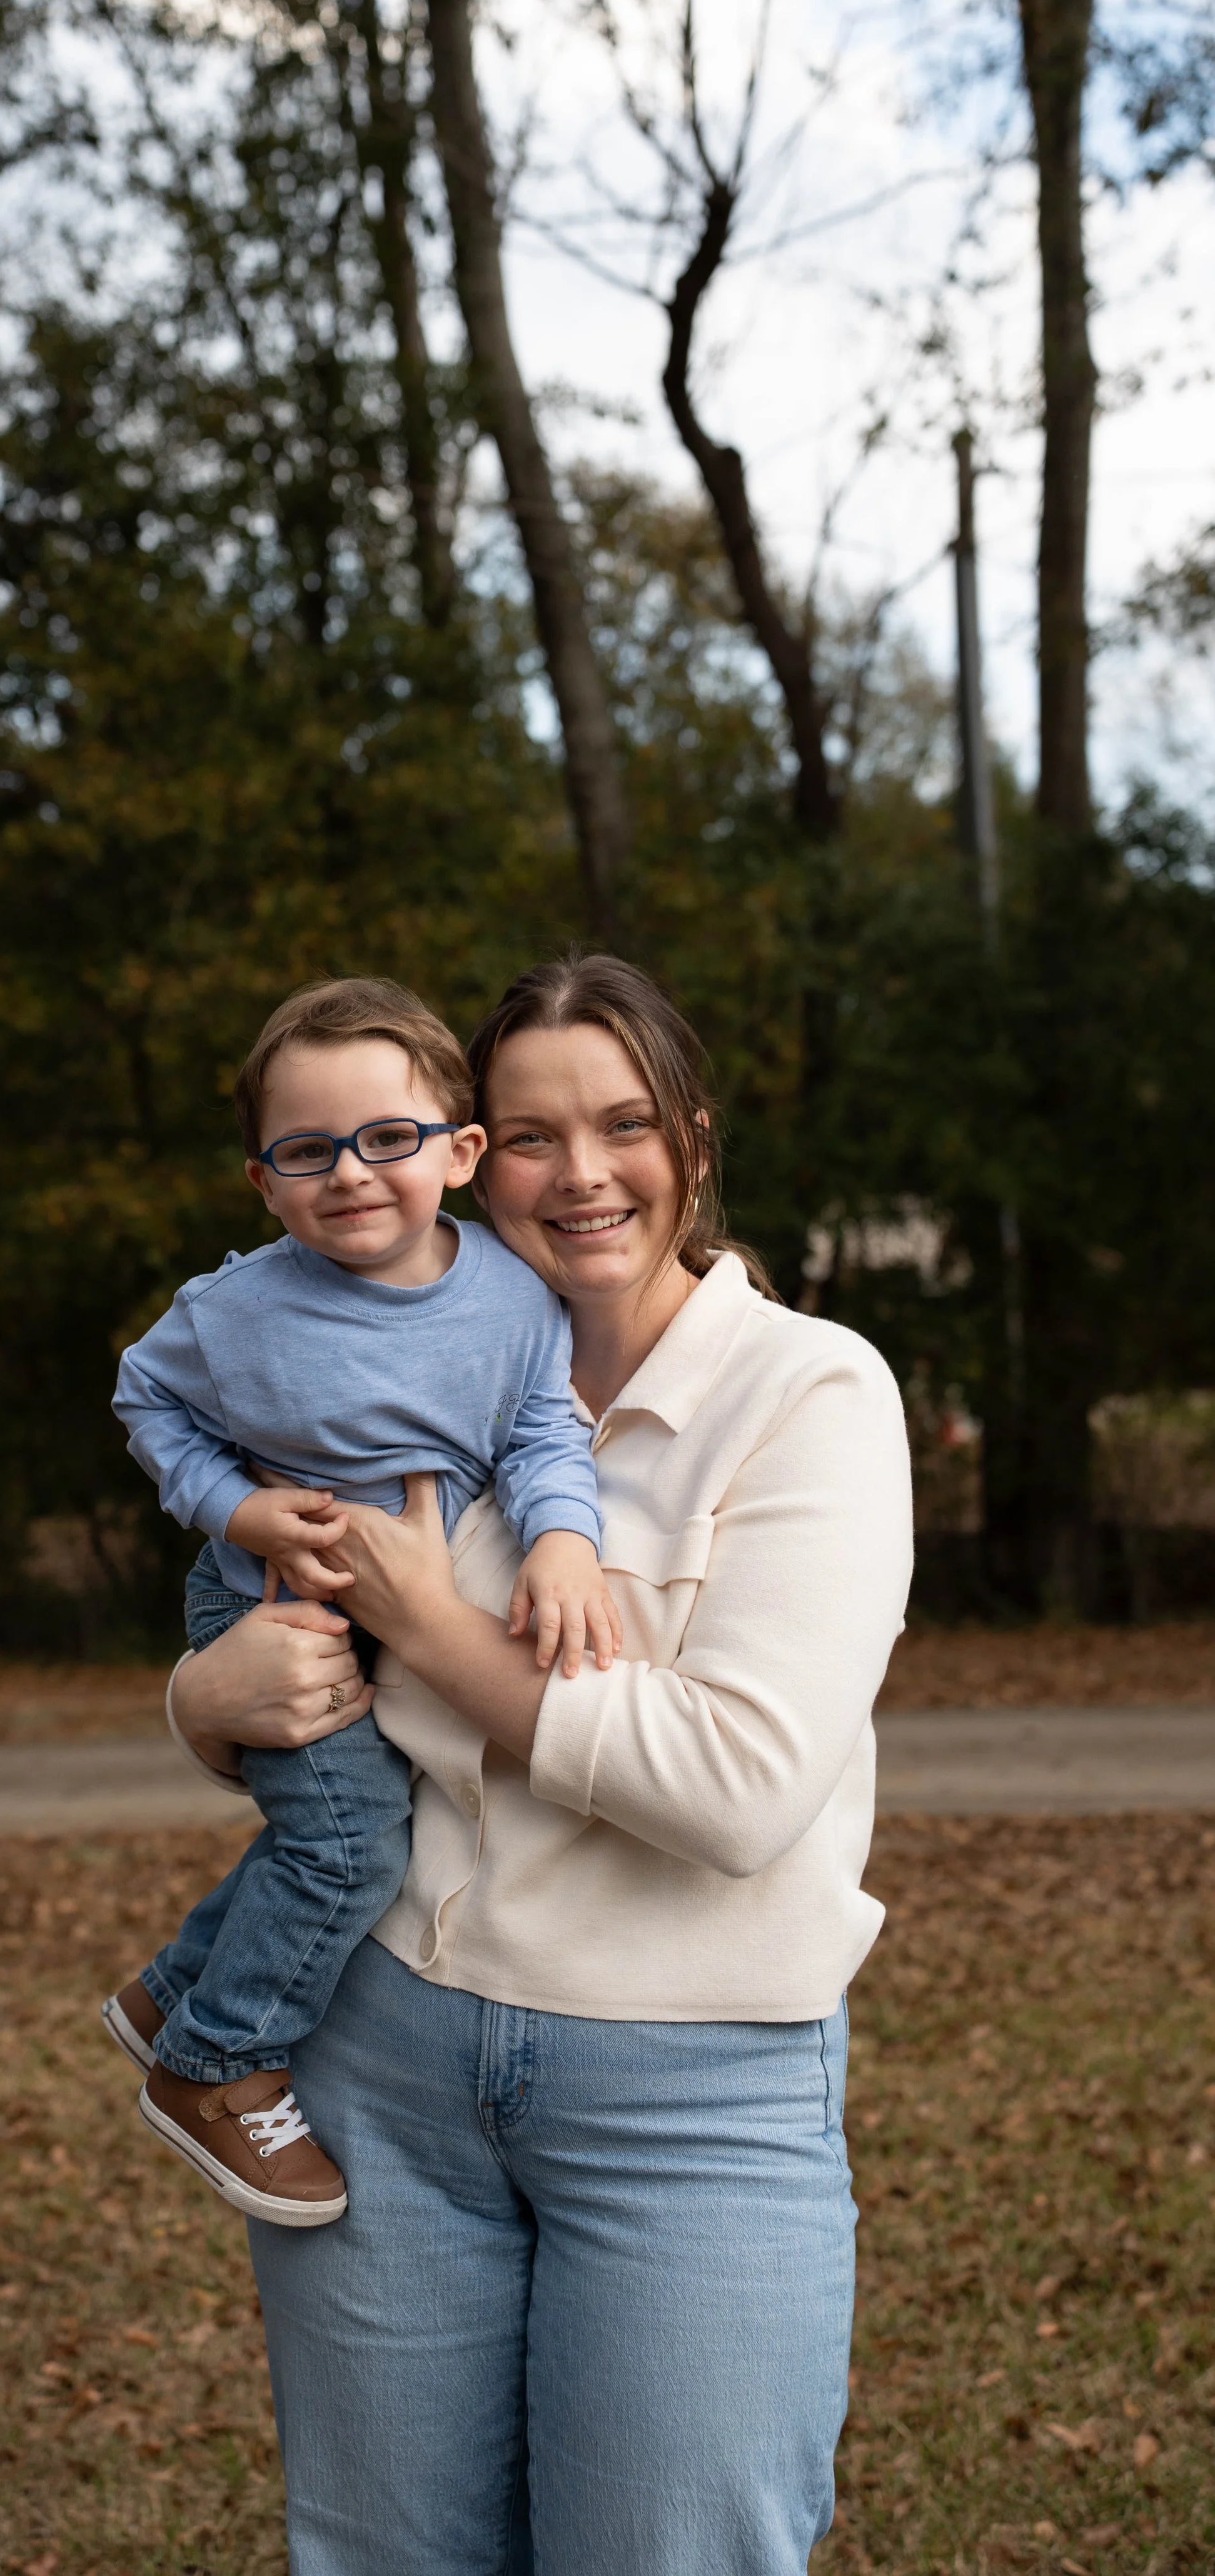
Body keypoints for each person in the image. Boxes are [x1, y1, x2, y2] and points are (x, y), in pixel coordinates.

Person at [168, 952, 914, 2576]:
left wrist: (434, 1627)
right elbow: (307, 1698)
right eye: (528, 1134)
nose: (580, 1175)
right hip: (383, 2054)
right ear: (460, 1153)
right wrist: (202, 1699)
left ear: (692, 1144)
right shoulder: (408, 1357)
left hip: (693, 2091)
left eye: (624, 1124)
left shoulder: (810, 1392)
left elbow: (735, 1787)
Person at [103, 976, 618, 2228]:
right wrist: (233, 1507)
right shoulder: (234, 1311)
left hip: (402, 1620)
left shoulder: (510, 1297)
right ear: (262, 1180)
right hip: (270, 1613)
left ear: (459, 1147)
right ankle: (214, 2063)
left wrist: (563, 1540)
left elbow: (544, 1429)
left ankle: (171, 1988)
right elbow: (144, 1399)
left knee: (338, 1836)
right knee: (349, 1845)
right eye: (306, 1151)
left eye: (387, 1138)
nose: (350, 1173)